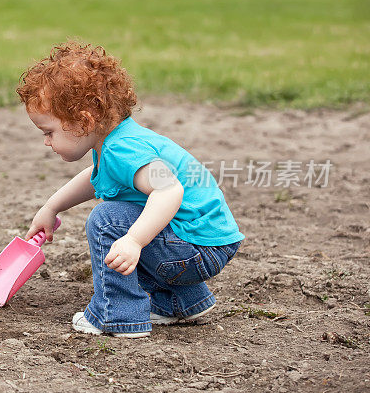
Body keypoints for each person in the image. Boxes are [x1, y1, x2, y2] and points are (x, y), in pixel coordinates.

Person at [17, 41, 244, 338]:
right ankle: (182, 302)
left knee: (108, 220)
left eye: (49, 132)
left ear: (84, 122)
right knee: (129, 217)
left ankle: (117, 315)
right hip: (205, 242)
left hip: (197, 248)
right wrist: (52, 207)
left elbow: (169, 190)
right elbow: (94, 178)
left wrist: (134, 241)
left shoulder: (123, 149)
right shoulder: (115, 143)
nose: (46, 141)